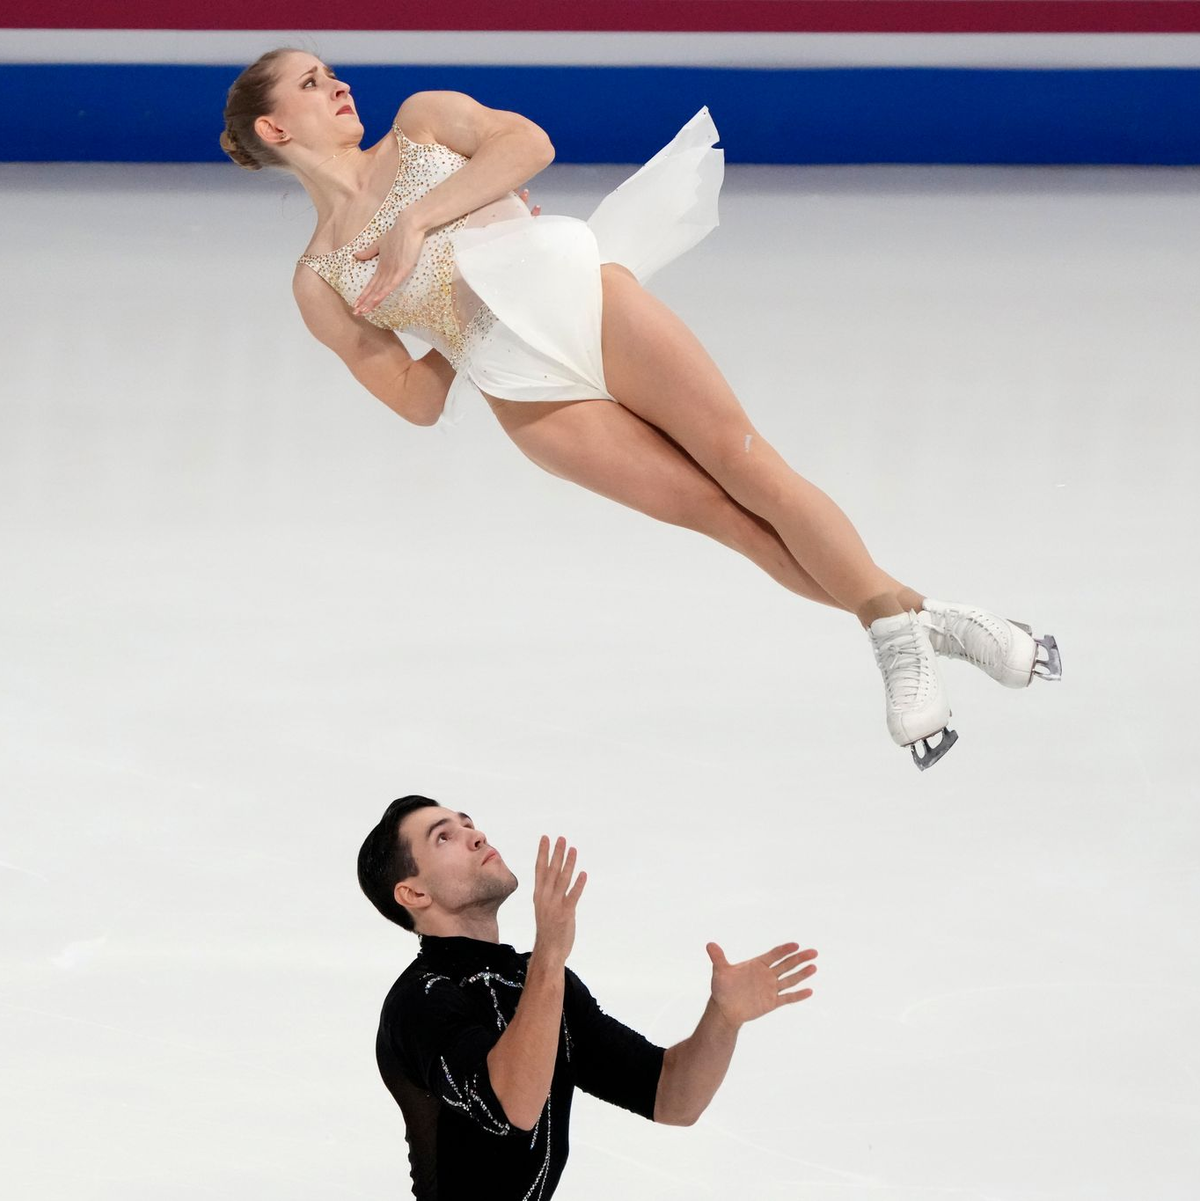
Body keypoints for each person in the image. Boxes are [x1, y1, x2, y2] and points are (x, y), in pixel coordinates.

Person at [220, 50, 1062, 769]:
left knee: (748, 468)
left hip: (581, 296)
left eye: (330, 71)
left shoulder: (421, 121)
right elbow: (412, 397)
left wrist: (419, 224)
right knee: (726, 520)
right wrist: (457, 320)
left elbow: (528, 144)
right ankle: (929, 621)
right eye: (310, 82)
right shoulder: (320, 279)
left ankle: (893, 637)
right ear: (274, 128)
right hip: (524, 389)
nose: (338, 84)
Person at [356, 795, 819, 1200]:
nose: (475, 836)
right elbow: (513, 1105)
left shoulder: (538, 981)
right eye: (444, 837)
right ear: (413, 893)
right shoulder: (419, 1001)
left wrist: (723, 1017)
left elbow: (673, 1097)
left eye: (468, 823)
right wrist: (550, 953)